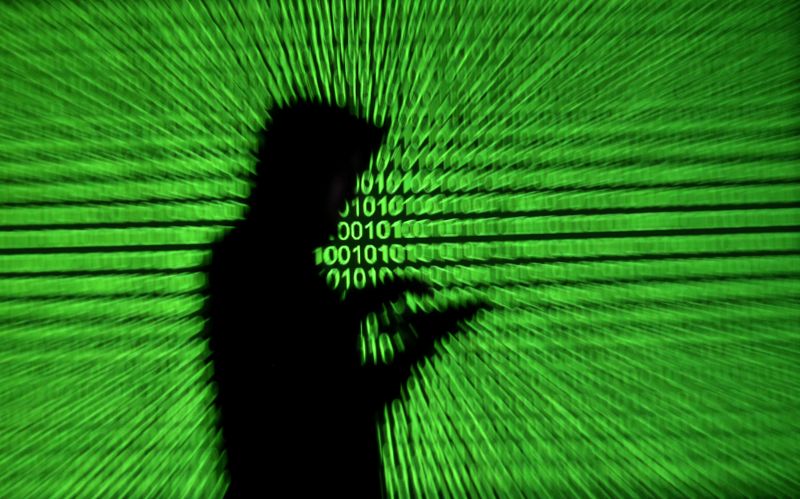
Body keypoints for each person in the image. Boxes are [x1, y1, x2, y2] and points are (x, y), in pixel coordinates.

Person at [203, 99, 481, 497]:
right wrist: (422, 343)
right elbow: (328, 412)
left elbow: (303, 356)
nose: (349, 197)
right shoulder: (256, 268)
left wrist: (364, 305)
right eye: (344, 175)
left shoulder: (254, 263)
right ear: (304, 175)